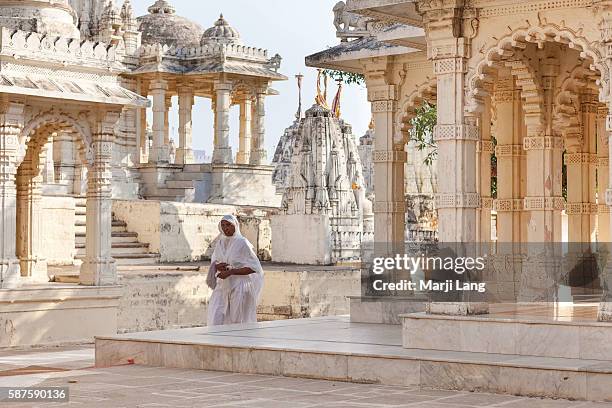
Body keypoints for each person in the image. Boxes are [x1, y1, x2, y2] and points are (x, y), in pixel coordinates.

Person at [206, 215, 264, 325]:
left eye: (228, 225)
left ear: (235, 226)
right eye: (223, 225)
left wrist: (231, 272)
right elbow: (215, 261)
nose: (225, 228)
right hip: (223, 285)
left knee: (238, 320)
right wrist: (218, 266)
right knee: (216, 316)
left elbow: (254, 268)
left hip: (240, 286)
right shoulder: (220, 243)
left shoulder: (242, 243)